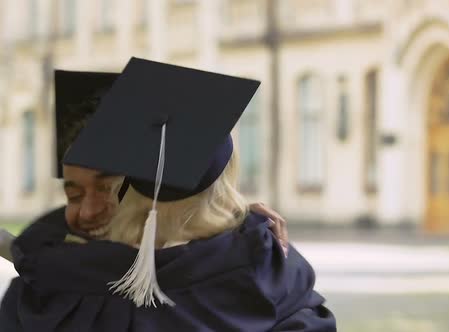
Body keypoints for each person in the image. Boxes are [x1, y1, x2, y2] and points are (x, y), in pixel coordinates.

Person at [0, 58, 336, 331]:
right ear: (222, 184)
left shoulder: (60, 285)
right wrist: (235, 224)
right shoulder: (263, 268)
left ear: (122, 188)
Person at [0, 70, 288, 262]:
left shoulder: (229, 273)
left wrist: (232, 225)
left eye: (108, 190)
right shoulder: (55, 274)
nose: (87, 211)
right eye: (73, 195)